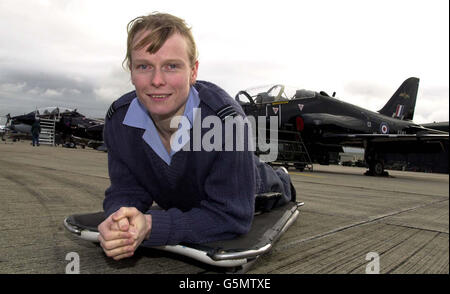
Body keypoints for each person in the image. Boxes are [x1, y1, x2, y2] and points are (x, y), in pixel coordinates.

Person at [98, 12, 296, 261]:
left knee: (275, 186)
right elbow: (126, 189)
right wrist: (120, 220)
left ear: (193, 71)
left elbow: (231, 216)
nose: (157, 80)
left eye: (172, 66)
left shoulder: (226, 120)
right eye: (144, 66)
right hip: (182, 196)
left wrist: (150, 225)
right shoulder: (118, 120)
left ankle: (282, 177)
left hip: (254, 185)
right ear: (131, 71)